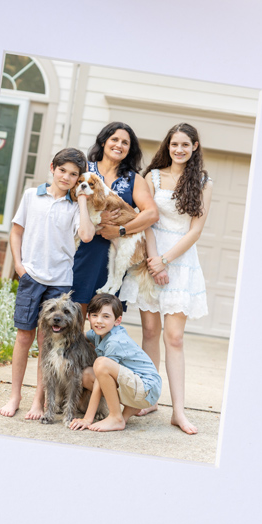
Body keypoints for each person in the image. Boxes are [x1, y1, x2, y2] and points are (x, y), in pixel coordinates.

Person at [119, 123, 212, 435]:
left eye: (186, 145)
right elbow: (147, 218)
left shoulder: (202, 182)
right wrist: (154, 260)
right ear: (168, 146)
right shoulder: (152, 176)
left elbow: (195, 231)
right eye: (174, 144)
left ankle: (180, 412)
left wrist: (167, 261)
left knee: (174, 337)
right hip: (151, 256)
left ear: (195, 147)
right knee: (149, 331)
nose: (179, 150)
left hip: (180, 261)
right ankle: (149, 398)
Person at [0, 148, 95, 421]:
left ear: (78, 179)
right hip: (31, 277)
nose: (66, 177)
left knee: (47, 343)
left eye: (74, 174)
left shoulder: (75, 207)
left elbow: (86, 236)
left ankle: (38, 402)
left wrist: (84, 200)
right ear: (52, 168)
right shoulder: (32, 196)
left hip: (60, 283)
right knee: (24, 337)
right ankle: (15, 395)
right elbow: (16, 232)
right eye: (62, 170)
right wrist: (19, 265)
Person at [70, 121, 159, 308]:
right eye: (114, 139)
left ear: (129, 149)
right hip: (80, 252)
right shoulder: (84, 170)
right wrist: (96, 220)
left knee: (102, 323)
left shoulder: (134, 180)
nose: (119, 145)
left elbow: (151, 214)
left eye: (125, 143)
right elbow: (65, 202)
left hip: (110, 257)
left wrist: (120, 230)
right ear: (103, 142)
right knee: (73, 316)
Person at [69, 293, 162, 432]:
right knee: (86, 375)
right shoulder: (98, 333)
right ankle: (129, 410)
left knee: (100, 364)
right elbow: (81, 337)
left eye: (106, 316)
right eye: (94, 315)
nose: (99, 321)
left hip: (146, 387)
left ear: (117, 320)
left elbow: (102, 379)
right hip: (139, 388)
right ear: (88, 317)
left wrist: (88, 418)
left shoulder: (115, 341)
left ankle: (115, 418)